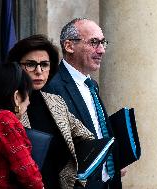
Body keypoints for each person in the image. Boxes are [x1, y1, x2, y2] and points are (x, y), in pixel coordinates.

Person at [44, 18, 125, 189]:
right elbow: (54, 149)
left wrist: (114, 159)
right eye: (94, 42)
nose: (101, 50)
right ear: (69, 46)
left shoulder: (91, 85)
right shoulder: (52, 87)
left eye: (103, 43)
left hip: (107, 182)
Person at [7, 34, 94, 189]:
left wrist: (79, 177)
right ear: (16, 67)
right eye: (30, 64)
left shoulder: (56, 102)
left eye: (44, 64)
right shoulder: (6, 106)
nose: (39, 71)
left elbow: (87, 138)